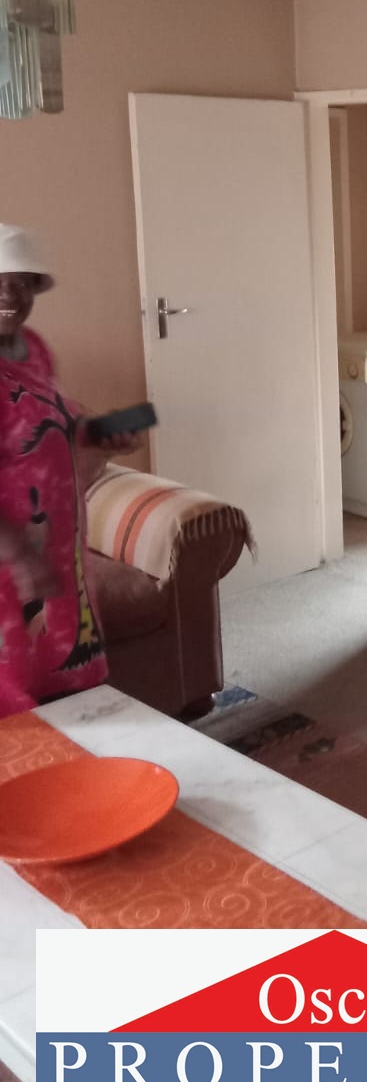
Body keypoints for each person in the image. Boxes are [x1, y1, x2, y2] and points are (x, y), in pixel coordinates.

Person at [0, 226, 140, 717]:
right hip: (11, 563)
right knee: (17, 713)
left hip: (60, 553)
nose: (9, 294)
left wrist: (103, 432)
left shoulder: (33, 349)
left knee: (72, 693)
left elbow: (50, 421)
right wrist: (20, 556)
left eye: (21, 282)